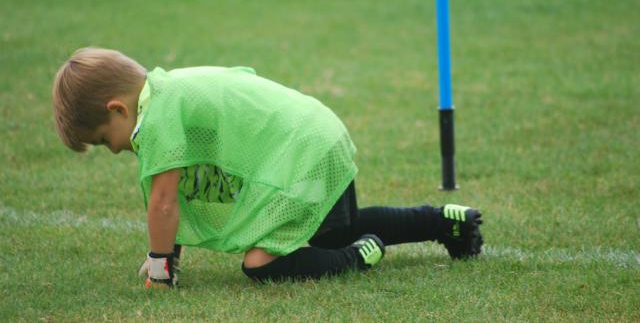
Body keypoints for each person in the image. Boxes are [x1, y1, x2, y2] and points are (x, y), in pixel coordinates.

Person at [52, 47, 483, 288]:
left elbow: (164, 202)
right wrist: (173, 252)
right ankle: (445, 222)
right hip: (316, 134)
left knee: (260, 264)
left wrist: (161, 269)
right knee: (332, 229)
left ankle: (358, 257)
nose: (112, 150)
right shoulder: (170, 88)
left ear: (118, 109)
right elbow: (179, 191)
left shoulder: (159, 118)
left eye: (104, 139)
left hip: (302, 153)